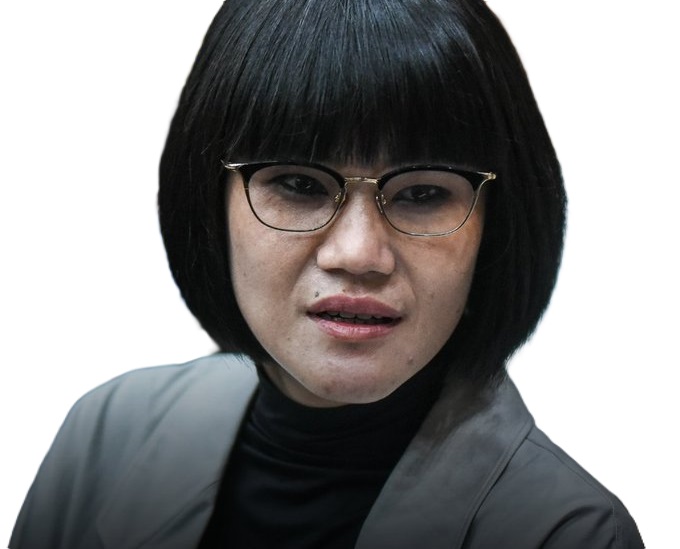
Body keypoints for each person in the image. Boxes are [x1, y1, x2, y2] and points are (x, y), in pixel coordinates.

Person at [10, 0, 644, 547]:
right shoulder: (106, 434)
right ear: (207, 204)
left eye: (423, 194)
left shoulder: (570, 534)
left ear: (497, 230)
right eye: (299, 184)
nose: (359, 254)